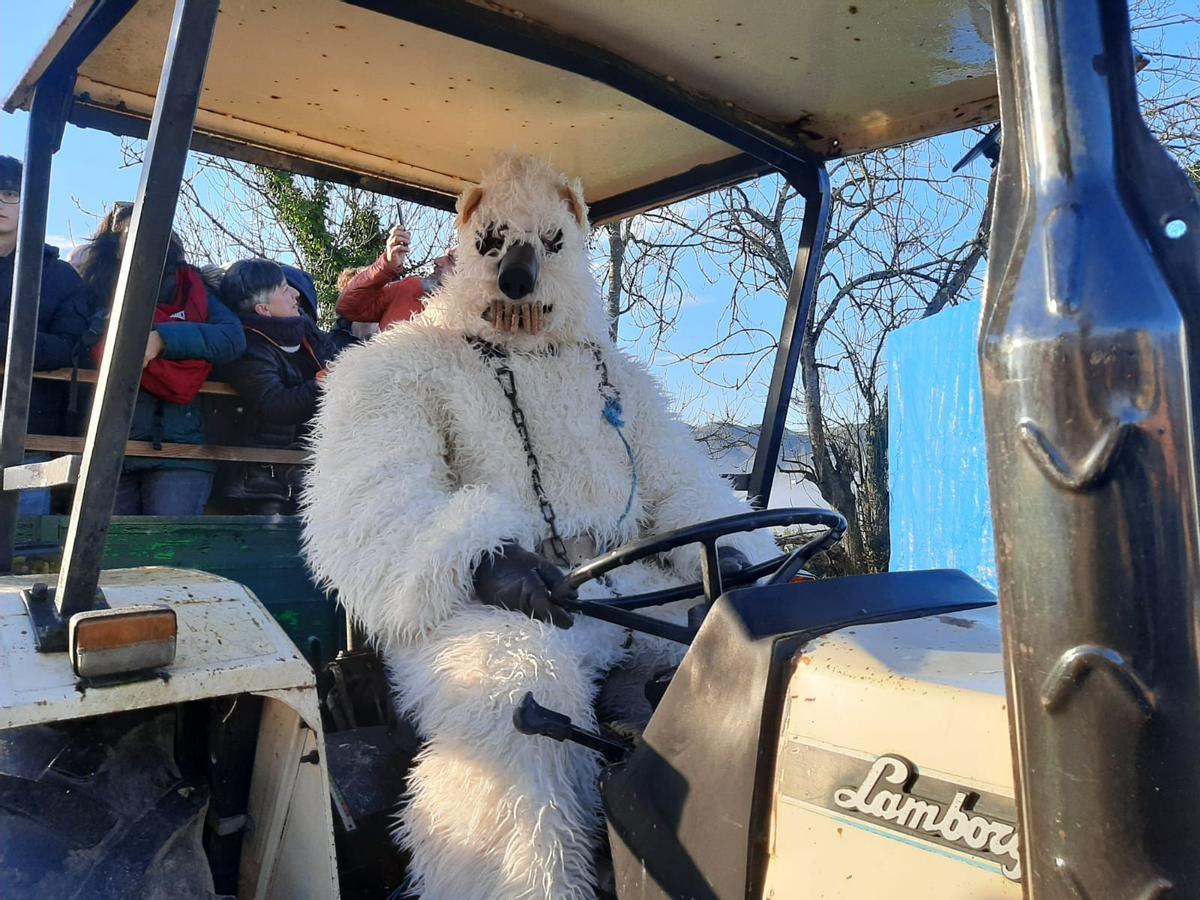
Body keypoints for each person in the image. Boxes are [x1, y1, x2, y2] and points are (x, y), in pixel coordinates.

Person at [303, 154, 772, 900]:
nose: (517, 271)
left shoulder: (612, 375)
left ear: (574, 243)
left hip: (620, 584)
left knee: (756, 671)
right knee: (520, 693)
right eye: (496, 246)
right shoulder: (403, 368)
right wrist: (482, 557)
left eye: (544, 247)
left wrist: (740, 559)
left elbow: (681, 481)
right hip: (486, 608)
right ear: (466, 245)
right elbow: (371, 504)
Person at [75, 203, 244, 515]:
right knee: (109, 556)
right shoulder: (92, 286)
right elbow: (71, 342)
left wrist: (162, 340)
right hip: (108, 446)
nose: (144, 236)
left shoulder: (194, 287)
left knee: (168, 554)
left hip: (180, 448)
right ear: (113, 244)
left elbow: (232, 339)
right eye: (130, 231)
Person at [0, 155, 94, 514]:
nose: (0, 201)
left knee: (25, 553)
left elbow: (67, 349)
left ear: (29, 200)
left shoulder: (59, 276)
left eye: (10, 192)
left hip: (28, 430)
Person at [216, 259, 333, 514]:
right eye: (283, 289)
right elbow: (274, 403)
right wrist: (321, 384)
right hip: (260, 480)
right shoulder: (248, 349)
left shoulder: (309, 336)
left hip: (310, 469)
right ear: (263, 309)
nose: (296, 294)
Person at [334, 222, 455, 330]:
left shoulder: (470, 323)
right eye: (444, 255)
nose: (436, 260)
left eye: (451, 259)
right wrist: (386, 265)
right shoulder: (410, 287)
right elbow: (347, 308)